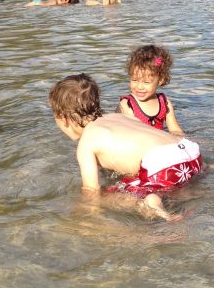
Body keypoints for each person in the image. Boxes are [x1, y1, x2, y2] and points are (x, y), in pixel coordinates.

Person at [50, 73, 202, 220]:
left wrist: (87, 214)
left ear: (63, 118)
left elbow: (91, 190)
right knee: (155, 181)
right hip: (189, 154)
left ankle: (149, 203)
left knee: (107, 194)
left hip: (162, 166)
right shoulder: (120, 116)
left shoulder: (86, 143)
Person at [118, 45, 183, 135]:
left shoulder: (164, 102)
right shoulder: (127, 104)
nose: (139, 87)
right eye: (134, 80)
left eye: (146, 82)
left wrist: (180, 140)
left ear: (160, 81)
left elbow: (175, 130)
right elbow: (129, 134)